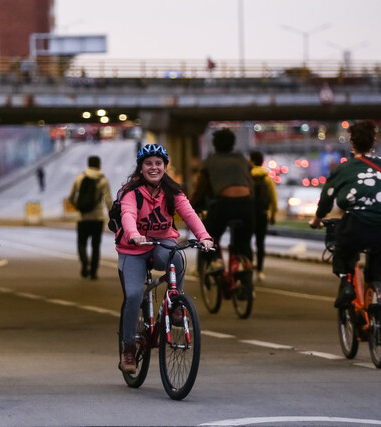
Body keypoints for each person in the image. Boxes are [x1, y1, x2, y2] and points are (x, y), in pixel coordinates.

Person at [116, 144, 213, 373]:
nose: (154, 167)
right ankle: (128, 348)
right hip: (133, 248)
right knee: (134, 295)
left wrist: (204, 237)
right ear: (141, 168)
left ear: (165, 167)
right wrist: (134, 234)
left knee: (176, 256)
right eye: (148, 163)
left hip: (161, 243)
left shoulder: (172, 192)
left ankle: (175, 304)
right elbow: (127, 214)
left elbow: (189, 214)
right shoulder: (131, 192)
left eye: (158, 163)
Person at [309, 119, 381, 345]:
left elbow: (327, 197)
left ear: (352, 144)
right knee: (380, 272)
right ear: (374, 142)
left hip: (355, 225)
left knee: (344, 252)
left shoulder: (344, 169)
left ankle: (346, 285)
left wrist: (317, 220)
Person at [190, 128, 255, 275]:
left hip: (224, 205)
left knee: (207, 234)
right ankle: (242, 263)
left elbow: (200, 189)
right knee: (243, 240)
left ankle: (215, 260)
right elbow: (251, 185)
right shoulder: (242, 160)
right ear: (233, 144)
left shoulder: (210, 161)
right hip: (246, 205)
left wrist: (190, 207)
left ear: (215, 144)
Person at [68, 155, 113, 279]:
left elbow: (71, 197)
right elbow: (108, 200)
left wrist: (79, 207)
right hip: (97, 218)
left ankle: (84, 262)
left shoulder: (79, 178)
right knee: (96, 245)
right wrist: (112, 216)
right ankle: (93, 272)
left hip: (82, 218)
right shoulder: (103, 180)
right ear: (99, 165)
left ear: (88, 165)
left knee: (81, 243)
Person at [249, 150, 278, 282]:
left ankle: (247, 267)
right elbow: (273, 198)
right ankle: (260, 270)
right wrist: (273, 214)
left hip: (248, 214)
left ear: (252, 161)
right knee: (260, 243)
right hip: (262, 214)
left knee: (246, 242)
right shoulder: (267, 177)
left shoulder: (247, 175)